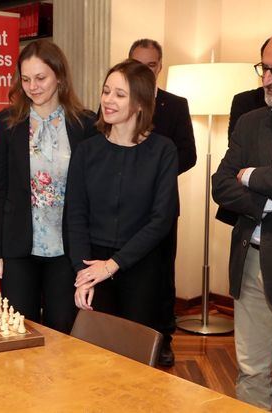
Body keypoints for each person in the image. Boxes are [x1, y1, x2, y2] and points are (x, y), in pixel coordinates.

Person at [212, 23, 272, 411]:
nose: (268, 79)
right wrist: (271, 200)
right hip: (251, 264)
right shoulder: (251, 121)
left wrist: (252, 176)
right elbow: (220, 185)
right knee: (251, 373)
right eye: (264, 68)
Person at [0, 39, 98, 334]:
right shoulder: (9, 121)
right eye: (25, 79)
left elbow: (91, 191)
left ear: (59, 76)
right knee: (21, 330)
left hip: (67, 249)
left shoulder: (84, 123)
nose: (32, 86)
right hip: (18, 247)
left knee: (63, 329)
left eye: (40, 78)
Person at [67, 59, 178, 337]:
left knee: (135, 358)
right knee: (94, 354)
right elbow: (75, 215)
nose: (108, 100)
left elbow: (161, 219)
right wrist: (84, 275)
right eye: (106, 91)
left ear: (140, 103)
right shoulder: (86, 150)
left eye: (119, 94)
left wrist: (112, 265)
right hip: (93, 264)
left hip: (142, 265)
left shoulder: (163, 150)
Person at [128, 38, 197, 367]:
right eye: (138, 63)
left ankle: (163, 338)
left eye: (151, 65)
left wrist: (153, 174)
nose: (144, 70)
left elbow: (189, 154)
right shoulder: (114, 102)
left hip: (162, 206)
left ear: (160, 67)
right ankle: (123, 334)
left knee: (161, 276)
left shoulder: (176, 104)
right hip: (122, 210)